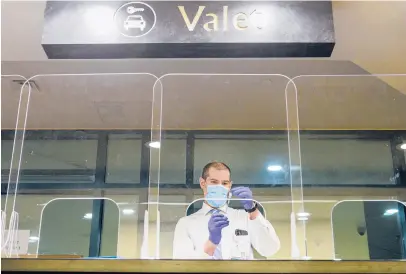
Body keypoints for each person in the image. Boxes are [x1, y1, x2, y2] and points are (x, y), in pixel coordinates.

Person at [173, 161, 280, 259]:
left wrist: (253, 210)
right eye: (214, 182)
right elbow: (183, 266)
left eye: (224, 183)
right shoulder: (186, 223)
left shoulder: (244, 217)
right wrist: (212, 242)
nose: (220, 187)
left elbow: (270, 249)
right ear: (202, 183)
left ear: (230, 185)